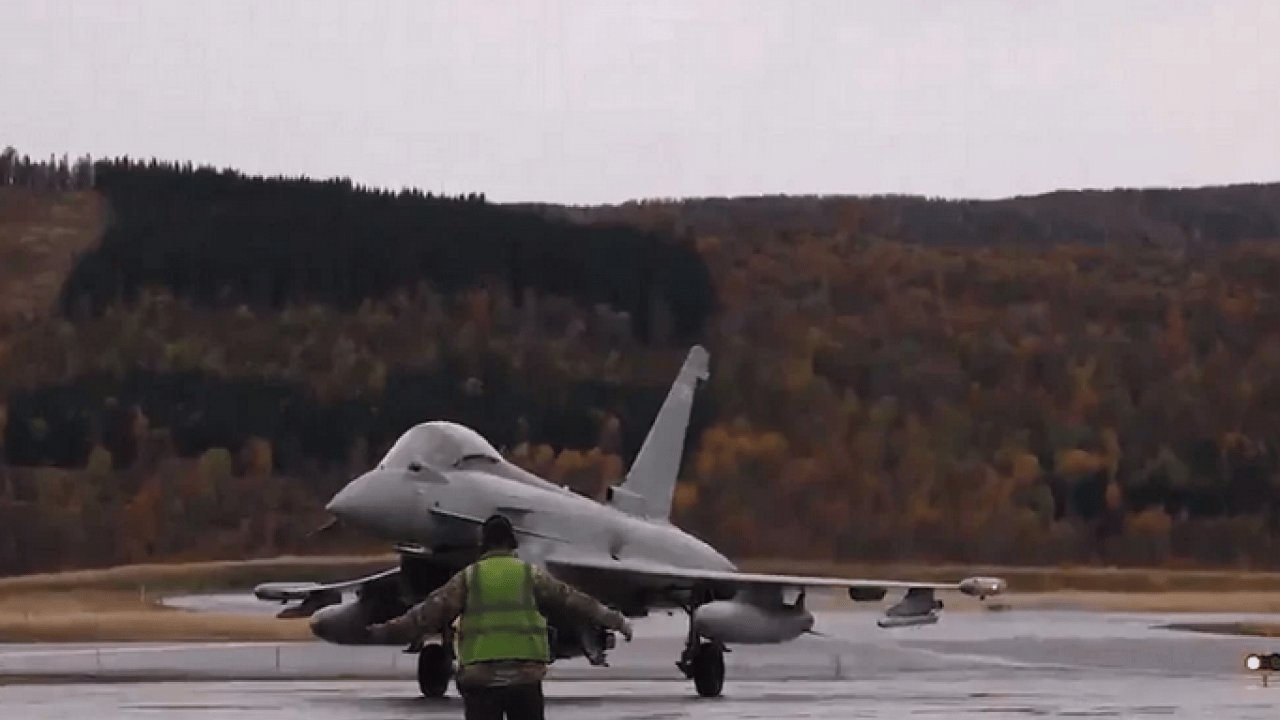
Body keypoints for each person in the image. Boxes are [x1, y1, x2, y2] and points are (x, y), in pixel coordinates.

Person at [366, 514, 634, 719]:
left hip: (481, 680)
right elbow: (574, 600)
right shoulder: (530, 574)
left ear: (483, 544)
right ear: (512, 543)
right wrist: (616, 620)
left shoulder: (470, 577)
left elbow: (425, 614)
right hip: (525, 679)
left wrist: (382, 630)